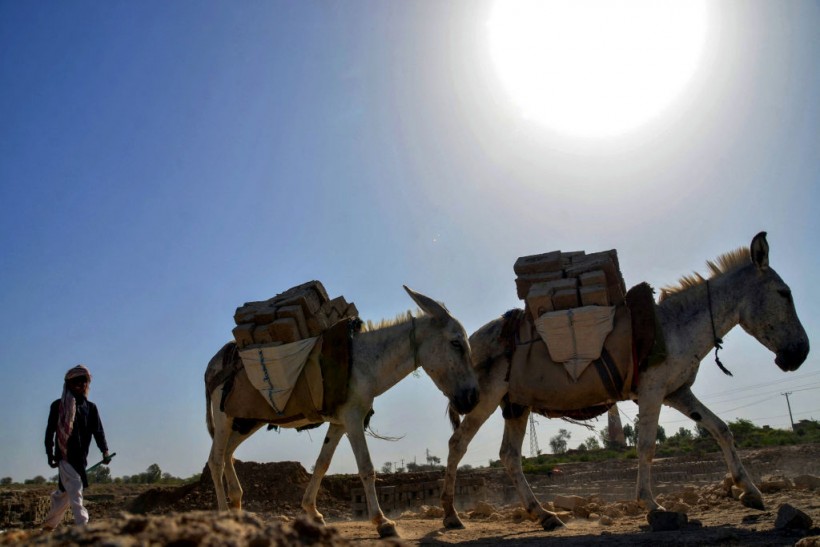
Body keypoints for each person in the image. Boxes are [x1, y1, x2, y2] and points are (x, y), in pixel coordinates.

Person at [42, 365, 111, 529]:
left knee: (64, 495)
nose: (81, 386)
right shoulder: (58, 406)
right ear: (69, 385)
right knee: (75, 488)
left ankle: (48, 526)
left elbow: (98, 431)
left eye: (84, 383)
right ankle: (82, 524)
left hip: (81, 457)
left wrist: (105, 451)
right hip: (65, 456)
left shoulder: (90, 408)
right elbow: (50, 431)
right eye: (76, 383)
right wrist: (49, 454)